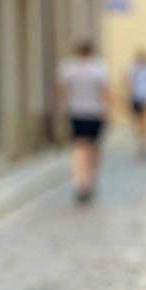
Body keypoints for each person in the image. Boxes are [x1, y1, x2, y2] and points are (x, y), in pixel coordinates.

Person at [55, 39, 109, 204]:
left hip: (75, 112)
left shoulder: (68, 67)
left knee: (78, 147)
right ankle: (89, 179)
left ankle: (80, 182)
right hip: (95, 112)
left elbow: (62, 90)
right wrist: (109, 110)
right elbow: (104, 91)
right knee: (92, 147)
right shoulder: (99, 67)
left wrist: (61, 107)